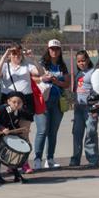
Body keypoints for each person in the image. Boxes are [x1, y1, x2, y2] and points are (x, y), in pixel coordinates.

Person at [0, 43, 43, 174]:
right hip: (9, 102)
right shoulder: (5, 66)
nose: (17, 55)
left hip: (25, 102)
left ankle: (25, 163)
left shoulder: (27, 65)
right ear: (10, 54)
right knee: (10, 131)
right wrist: (5, 56)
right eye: (14, 53)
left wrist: (33, 58)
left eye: (18, 53)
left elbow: (40, 72)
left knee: (24, 132)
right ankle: (12, 162)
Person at [33, 39, 69, 170]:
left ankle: (50, 159)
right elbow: (32, 78)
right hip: (43, 101)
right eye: (52, 49)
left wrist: (56, 82)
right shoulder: (42, 64)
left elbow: (67, 83)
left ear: (60, 51)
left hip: (57, 102)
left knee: (53, 132)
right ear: (48, 50)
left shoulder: (62, 66)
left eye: (57, 49)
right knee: (42, 131)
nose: (54, 51)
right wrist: (42, 78)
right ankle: (37, 159)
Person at [69, 50, 99, 168]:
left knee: (91, 133)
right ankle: (75, 158)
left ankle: (92, 159)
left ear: (88, 60)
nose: (81, 63)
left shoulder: (93, 72)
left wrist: (95, 109)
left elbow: (97, 91)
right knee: (77, 133)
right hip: (78, 108)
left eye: (83, 60)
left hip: (90, 108)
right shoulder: (78, 74)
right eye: (79, 61)